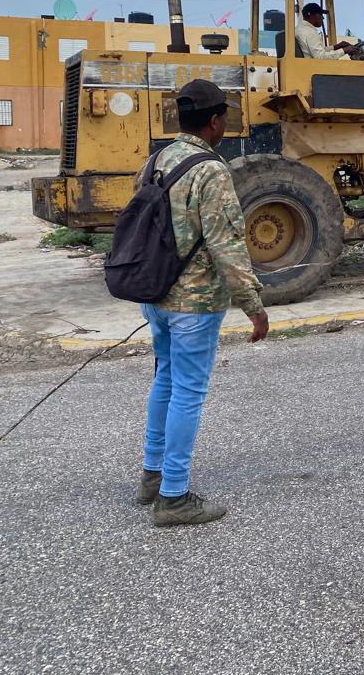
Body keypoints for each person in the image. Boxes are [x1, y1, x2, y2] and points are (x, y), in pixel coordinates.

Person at [134, 78, 270, 527]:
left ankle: (151, 476)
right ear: (215, 121)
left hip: (154, 295)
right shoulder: (211, 170)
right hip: (193, 304)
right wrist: (252, 303)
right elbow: (227, 243)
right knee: (188, 393)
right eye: (224, 117)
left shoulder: (156, 159)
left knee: (165, 381)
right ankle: (173, 497)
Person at [294, 3, 361, 59]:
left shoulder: (299, 29)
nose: (322, 18)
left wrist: (336, 47)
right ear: (311, 15)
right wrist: (345, 50)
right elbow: (320, 57)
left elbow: (316, 51)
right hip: (315, 69)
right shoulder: (310, 32)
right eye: (320, 14)